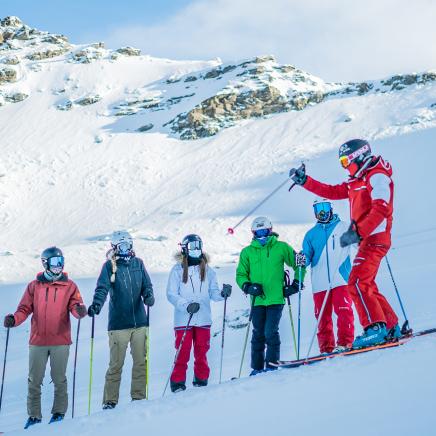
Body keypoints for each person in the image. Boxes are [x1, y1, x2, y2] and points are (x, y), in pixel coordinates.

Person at [290, 139, 400, 348]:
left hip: (375, 238)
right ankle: (390, 325)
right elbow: (330, 192)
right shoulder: (357, 180)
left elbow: (381, 208)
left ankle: (374, 328)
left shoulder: (376, 176)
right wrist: (305, 181)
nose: (345, 167)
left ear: (359, 156)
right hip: (367, 239)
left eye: (345, 162)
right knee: (366, 283)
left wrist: (357, 232)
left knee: (357, 282)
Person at [3, 247, 87, 429]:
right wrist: (14, 319)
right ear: (45, 263)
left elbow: (75, 306)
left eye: (61, 261)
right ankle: (34, 416)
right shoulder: (34, 286)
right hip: (38, 341)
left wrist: (79, 311)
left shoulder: (69, 286)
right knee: (34, 380)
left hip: (60, 341)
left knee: (59, 379)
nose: (59, 266)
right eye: (55, 262)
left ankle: (59, 413)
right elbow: (24, 309)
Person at [88, 230, 154, 409]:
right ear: (115, 247)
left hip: (139, 322)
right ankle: (110, 401)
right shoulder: (109, 266)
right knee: (116, 364)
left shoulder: (138, 264)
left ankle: (139, 397)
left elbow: (147, 285)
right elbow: (102, 288)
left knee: (141, 361)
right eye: (121, 246)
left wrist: (148, 295)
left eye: (128, 245)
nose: (125, 249)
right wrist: (97, 305)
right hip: (118, 325)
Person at [236, 217, 305, 375]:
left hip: (276, 298)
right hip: (257, 300)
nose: (262, 235)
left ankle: (272, 366)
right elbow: (241, 274)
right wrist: (247, 286)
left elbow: (298, 264)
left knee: (270, 332)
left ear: (270, 230)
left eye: (264, 231)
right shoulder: (247, 252)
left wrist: (296, 284)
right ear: (253, 233)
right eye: (258, 232)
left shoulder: (281, 247)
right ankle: (257, 368)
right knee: (258, 333)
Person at [166, 234, 232, 393]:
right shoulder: (177, 270)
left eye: (198, 246)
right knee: (182, 352)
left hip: (203, 318)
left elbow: (213, 293)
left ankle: (201, 381)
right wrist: (186, 306)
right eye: (192, 246)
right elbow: (171, 294)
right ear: (184, 249)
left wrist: (222, 294)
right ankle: (178, 384)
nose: (196, 249)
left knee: (201, 352)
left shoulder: (208, 271)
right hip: (184, 319)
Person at [302, 199, 355, 353]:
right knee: (322, 318)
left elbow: (358, 244)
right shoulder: (311, 234)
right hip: (320, 283)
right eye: (318, 209)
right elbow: (306, 256)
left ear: (331, 209)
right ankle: (326, 348)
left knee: (344, 311)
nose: (322, 212)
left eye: (324, 207)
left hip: (341, 278)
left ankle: (345, 343)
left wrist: (364, 237)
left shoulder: (344, 227)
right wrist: (301, 260)